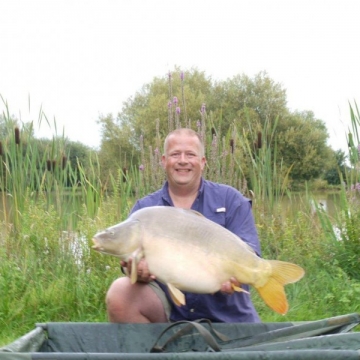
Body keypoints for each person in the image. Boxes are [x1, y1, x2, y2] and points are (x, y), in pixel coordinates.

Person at [106, 128, 261, 323]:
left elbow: (251, 254)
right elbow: (132, 262)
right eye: (175, 154)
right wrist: (138, 272)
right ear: (163, 161)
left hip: (230, 317)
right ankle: (153, 350)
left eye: (190, 154)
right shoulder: (144, 210)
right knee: (121, 291)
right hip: (171, 315)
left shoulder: (231, 200)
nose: (182, 160)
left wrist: (238, 276)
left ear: (203, 162)